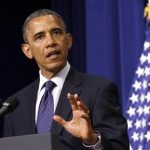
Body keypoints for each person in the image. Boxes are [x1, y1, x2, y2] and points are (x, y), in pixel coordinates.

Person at [1, 9, 129, 150]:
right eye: (39, 37)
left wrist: (92, 140)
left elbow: (119, 147)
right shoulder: (14, 107)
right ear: (27, 51)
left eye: (56, 33)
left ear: (68, 41)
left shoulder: (99, 90)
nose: (50, 42)